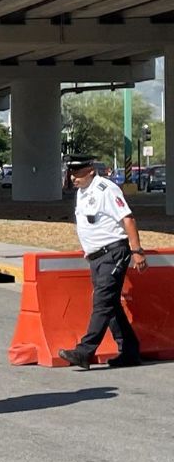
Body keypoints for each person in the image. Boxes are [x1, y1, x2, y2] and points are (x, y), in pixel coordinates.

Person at [57, 156, 147, 369]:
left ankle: (84, 351)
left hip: (113, 253)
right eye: (71, 173)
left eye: (77, 173)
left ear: (89, 171)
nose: (73, 178)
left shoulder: (106, 189)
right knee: (111, 304)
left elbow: (128, 218)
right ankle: (130, 351)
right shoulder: (82, 193)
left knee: (102, 302)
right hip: (97, 257)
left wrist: (137, 251)